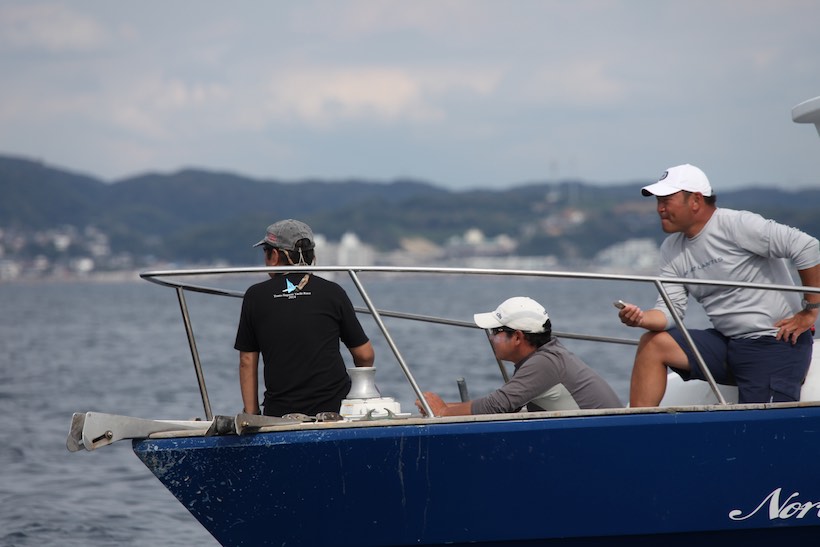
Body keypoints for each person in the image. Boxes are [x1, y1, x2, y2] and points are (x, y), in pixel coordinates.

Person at [619, 164, 820, 406]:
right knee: (653, 344)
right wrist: (640, 319)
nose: (659, 208)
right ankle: (637, 426)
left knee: (755, 424)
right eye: (658, 201)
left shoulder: (737, 224)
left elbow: (807, 246)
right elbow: (668, 313)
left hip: (775, 343)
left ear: (695, 200)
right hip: (730, 343)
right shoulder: (671, 249)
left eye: (666, 200)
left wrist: (810, 310)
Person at [234, 219, 375, 417]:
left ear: (274, 256)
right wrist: (358, 396)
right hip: (335, 409)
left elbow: (247, 360)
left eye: (266, 252)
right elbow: (365, 355)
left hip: (281, 413)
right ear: (312, 256)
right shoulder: (333, 292)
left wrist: (252, 415)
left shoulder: (255, 296)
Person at [416, 296, 623, 416]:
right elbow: (508, 405)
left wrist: (443, 412)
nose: (491, 338)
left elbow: (497, 405)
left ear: (517, 337)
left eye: (496, 331)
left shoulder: (544, 363)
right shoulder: (544, 357)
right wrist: (442, 407)